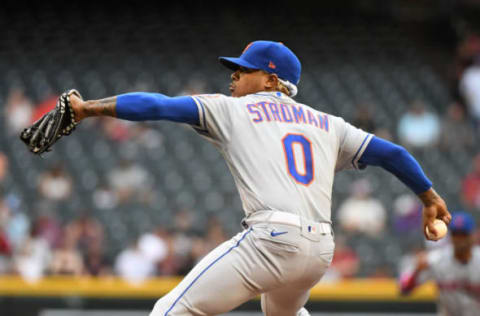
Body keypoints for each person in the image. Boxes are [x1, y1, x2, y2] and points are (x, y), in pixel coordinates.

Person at [65, 40, 450, 316]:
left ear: (271, 79)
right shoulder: (330, 124)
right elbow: (394, 154)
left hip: (272, 240)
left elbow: (158, 105)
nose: (234, 75)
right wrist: (430, 197)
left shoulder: (233, 109)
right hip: (319, 251)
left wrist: (88, 109)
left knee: (170, 310)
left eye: (244, 68)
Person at [399, 212, 480, 316]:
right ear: (450, 236)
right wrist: (416, 271)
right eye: (456, 234)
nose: (460, 239)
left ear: (473, 235)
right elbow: (404, 288)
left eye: (463, 234)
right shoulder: (437, 260)